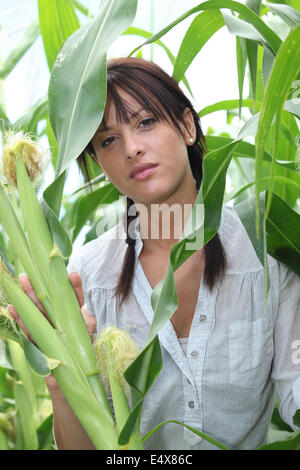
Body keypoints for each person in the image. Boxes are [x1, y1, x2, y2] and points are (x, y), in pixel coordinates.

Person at [9, 57, 300, 450]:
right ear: (98, 162)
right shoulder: (87, 276)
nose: (131, 149)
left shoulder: (267, 249)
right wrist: (60, 376)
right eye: (108, 140)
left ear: (187, 126)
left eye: (146, 122)